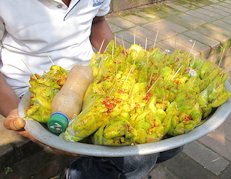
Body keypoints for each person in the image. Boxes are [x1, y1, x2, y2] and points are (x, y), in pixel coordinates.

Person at [0, 1, 182, 178]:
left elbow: (97, 21)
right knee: (136, 158)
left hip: (90, 77)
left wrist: (121, 65)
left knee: (171, 143)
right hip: (34, 91)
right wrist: (17, 114)